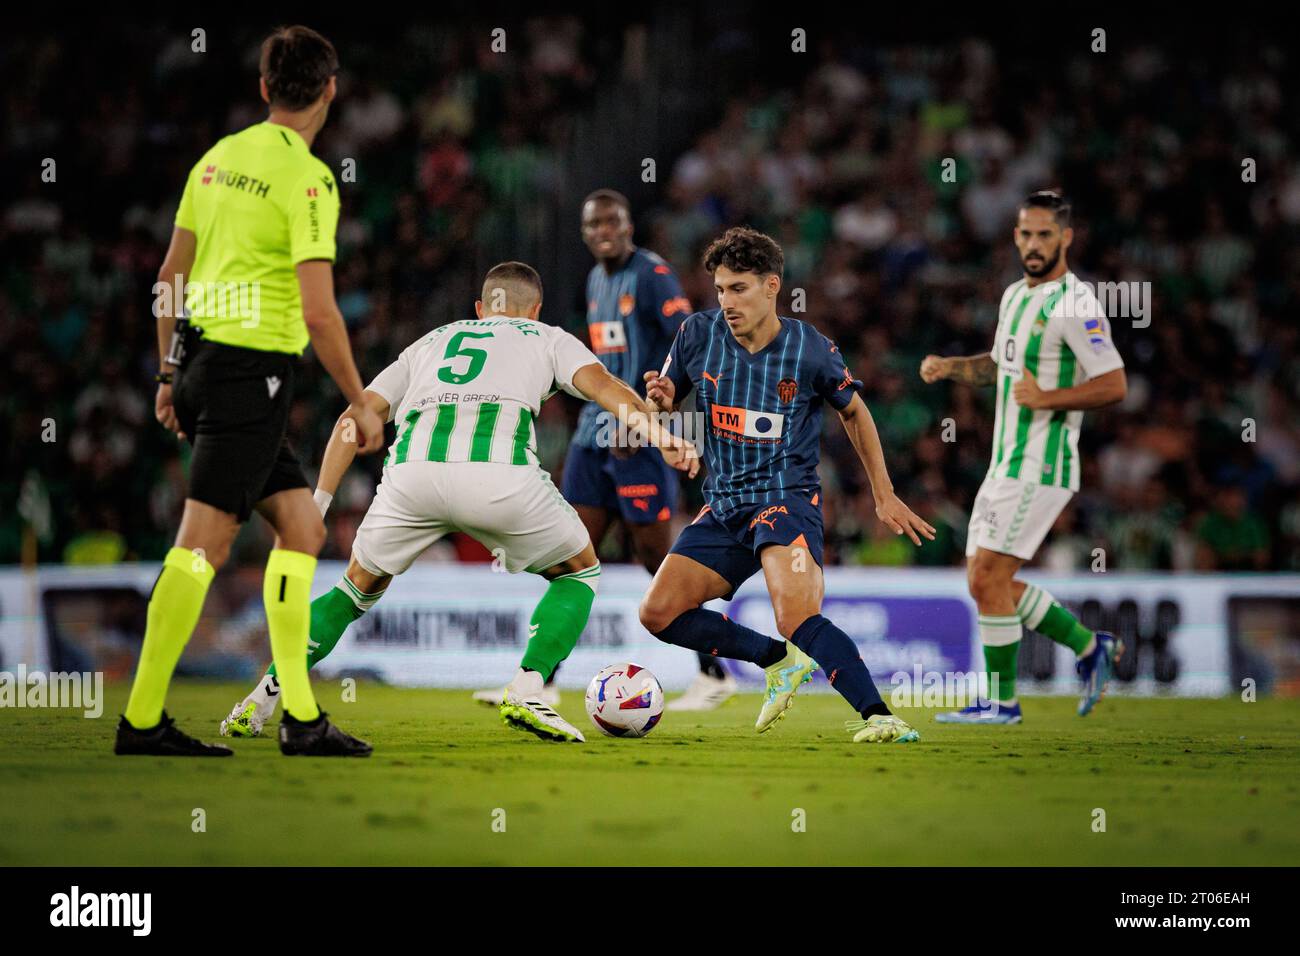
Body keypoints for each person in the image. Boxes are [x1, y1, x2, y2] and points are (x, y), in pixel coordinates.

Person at [219, 262, 698, 742]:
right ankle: (529, 687)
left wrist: (319, 503)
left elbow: (353, 419)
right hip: (498, 479)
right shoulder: (547, 337)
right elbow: (608, 390)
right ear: (535, 309)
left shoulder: (429, 342)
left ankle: (259, 700)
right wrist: (660, 435)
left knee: (353, 589)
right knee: (579, 570)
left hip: (410, 479)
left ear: (478, 310)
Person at [115, 25, 380, 758]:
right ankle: (140, 722)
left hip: (205, 363)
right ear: (330, 90)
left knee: (300, 527)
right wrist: (359, 399)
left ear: (264, 89)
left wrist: (169, 373)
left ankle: (299, 717)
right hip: (249, 373)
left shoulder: (218, 159)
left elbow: (169, 275)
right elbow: (320, 309)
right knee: (202, 544)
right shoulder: (310, 178)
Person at [638, 227, 935, 745]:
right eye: (721, 289)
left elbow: (856, 415)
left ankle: (879, 716)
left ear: (773, 286)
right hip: (724, 504)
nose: (727, 301)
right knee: (658, 613)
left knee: (795, 615)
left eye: (740, 288)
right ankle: (776, 662)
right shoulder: (696, 335)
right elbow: (662, 402)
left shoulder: (810, 350)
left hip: (784, 501)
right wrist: (661, 403)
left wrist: (883, 494)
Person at [920, 190, 1128, 724]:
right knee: (986, 581)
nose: (1034, 244)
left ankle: (1002, 701)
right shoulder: (1015, 295)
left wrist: (1049, 399)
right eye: (1026, 234)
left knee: (988, 577)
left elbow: (1113, 383)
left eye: (1044, 235)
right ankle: (1089, 646)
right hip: (1005, 462)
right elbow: (998, 364)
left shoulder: (1076, 303)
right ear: (1016, 236)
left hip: (1043, 463)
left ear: (1066, 237)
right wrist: (951, 367)